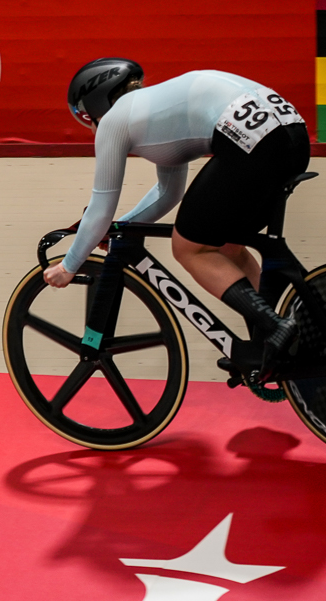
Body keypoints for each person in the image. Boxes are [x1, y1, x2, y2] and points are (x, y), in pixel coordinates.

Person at [43, 59, 312, 376]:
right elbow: (168, 193)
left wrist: (68, 265)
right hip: (292, 134)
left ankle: (277, 327)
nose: (88, 125)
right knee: (226, 246)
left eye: (84, 117)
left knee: (187, 247)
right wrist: (121, 228)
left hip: (254, 143)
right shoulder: (155, 110)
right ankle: (280, 340)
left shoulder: (115, 120)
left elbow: (101, 208)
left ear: (93, 104)